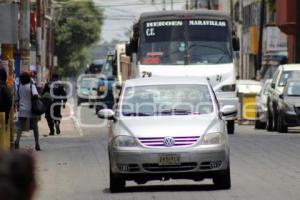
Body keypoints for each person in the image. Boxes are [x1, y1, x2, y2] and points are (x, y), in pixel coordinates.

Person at [15, 71, 41, 151]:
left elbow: (16, 98)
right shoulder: (31, 86)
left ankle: (17, 141)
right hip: (32, 109)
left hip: (22, 109)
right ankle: (37, 144)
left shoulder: (19, 87)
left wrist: (17, 106)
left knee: (20, 127)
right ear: (28, 78)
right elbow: (36, 95)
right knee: (35, 127)